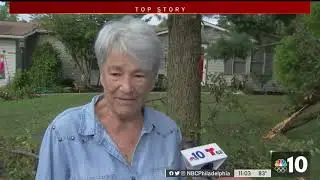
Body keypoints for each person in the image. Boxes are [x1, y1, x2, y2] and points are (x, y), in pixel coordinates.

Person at [36, 16, 184, 180]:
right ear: (102, 75)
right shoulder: (64, 133)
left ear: (153, 80)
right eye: (116, 74)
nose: (127, 87)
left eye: (139, 75)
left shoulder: (168, 132)